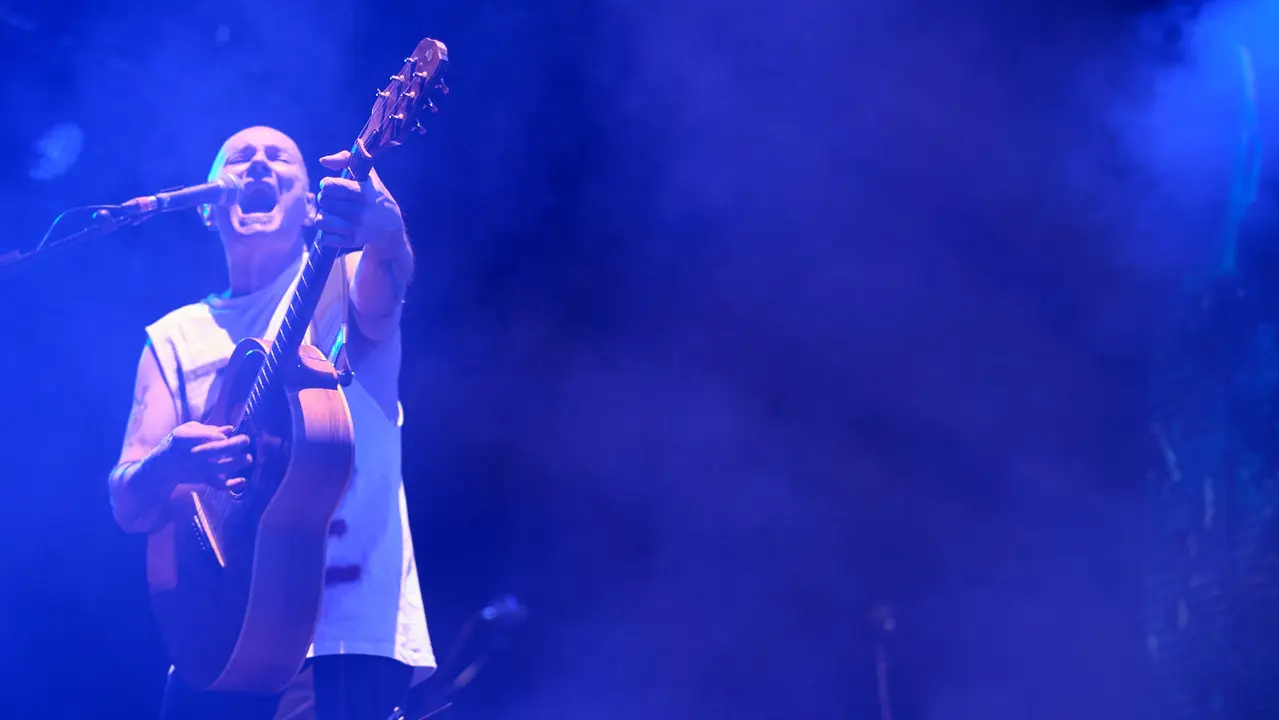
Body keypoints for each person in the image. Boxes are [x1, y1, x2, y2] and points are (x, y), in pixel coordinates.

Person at [106, 125, 436, 719]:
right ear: (207, 207)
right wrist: (169, 462)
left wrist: (387, 235)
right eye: (239, 158)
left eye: (278, 157)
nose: (257, 164)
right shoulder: (174, 337)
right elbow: (130, 503)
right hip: (217, 638)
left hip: (344, 639)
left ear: (311, 206)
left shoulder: (346, 276)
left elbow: (385, 291)